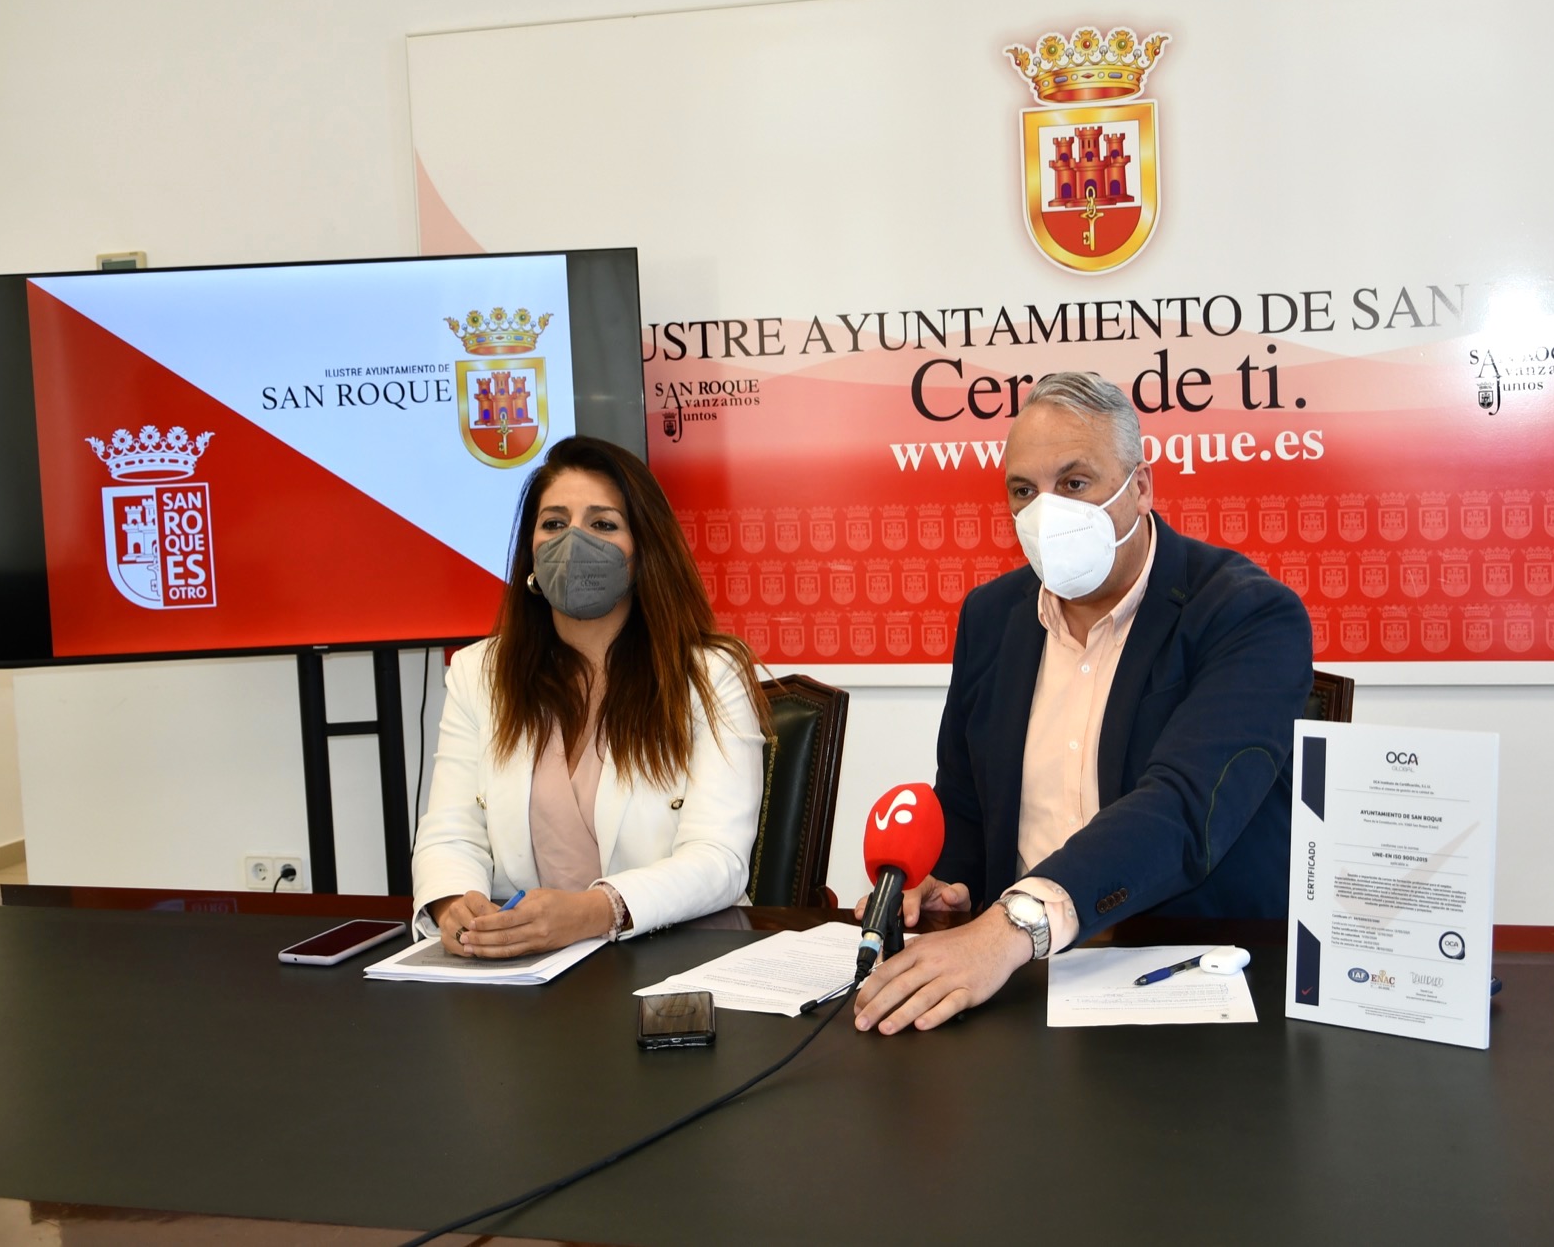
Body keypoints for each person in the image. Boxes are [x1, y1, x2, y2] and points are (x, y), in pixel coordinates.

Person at [854, 372, 1313, 1033]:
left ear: (1141, 486)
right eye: (1024, 491)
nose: (1047, 512)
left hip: (1192, 981)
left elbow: (1183, 807)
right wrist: (943, 886)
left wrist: (1012, 926)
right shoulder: (991, 617)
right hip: (1016, 988)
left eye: (1074, 483)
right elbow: (966, 806)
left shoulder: (1246, 614)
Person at [412, 435, 770, 956]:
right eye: (554, 524)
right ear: (530, 552)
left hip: (669, 957)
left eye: (602, 525)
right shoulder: (478, 674)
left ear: (643, 552)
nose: (573, 542)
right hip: (521, 968)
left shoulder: (711, 676)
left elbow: (719, 859)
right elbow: (450, 831)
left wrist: (595, 912)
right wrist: (454, 904)